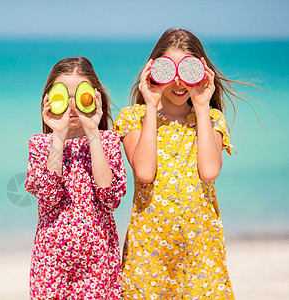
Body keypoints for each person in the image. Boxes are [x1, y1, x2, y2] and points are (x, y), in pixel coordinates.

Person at [114, 28, 240, 299]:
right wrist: (150, 105)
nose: (180, 83)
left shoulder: (210, 118)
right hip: (149, 251)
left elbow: (209, 171)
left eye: (189, 72)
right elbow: (145, 172)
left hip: (201, 248)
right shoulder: (133, 117)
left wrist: (203, 103)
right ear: (153, 72)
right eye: (168, 72)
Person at [25, 56, 127, 299]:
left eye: (79, 96)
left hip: (98, 264)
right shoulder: (40, 144)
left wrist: (94, 134)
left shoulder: (108, 142)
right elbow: (48, 196)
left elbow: (110, 198)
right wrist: (58, 135)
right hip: (52, 264)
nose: (72, 106)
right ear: (49, 100)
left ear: (94, 97)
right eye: (63, 97)